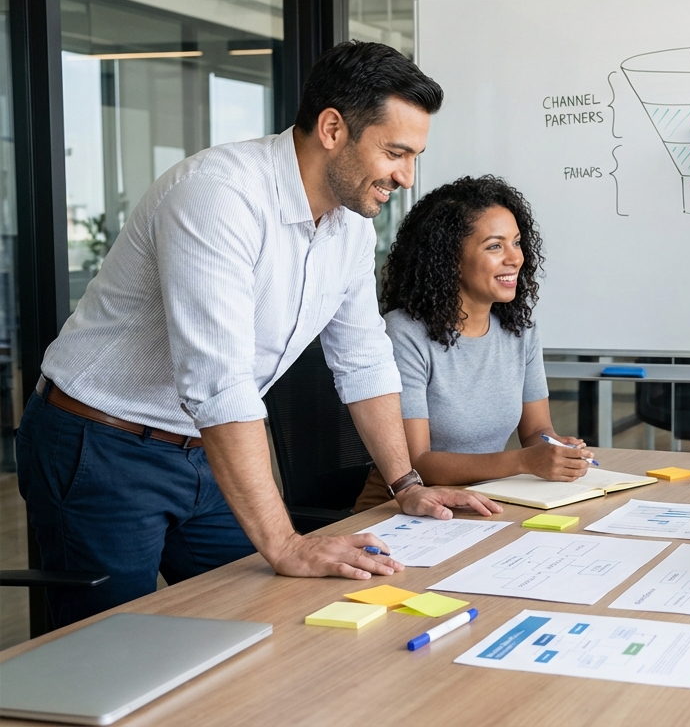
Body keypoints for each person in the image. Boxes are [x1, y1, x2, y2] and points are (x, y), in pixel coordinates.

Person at [17, 41, 500, 628]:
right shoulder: (218, 195)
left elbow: (364, 359)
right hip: (102, 444)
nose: (406, 176)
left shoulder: (347, 227)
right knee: (113, 650)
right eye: (395, 153)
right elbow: (219, 382)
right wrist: (287, 543)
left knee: (269, 620)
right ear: (331, 128)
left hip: (203, 449)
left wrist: (406, 484)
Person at [353, 176, 593, 510]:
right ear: (449, 258)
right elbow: (417, 461)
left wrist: (553, 449)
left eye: (517, 242)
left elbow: (537, 427)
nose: (515, 258)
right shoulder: (404, 332)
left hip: (487, 500)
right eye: (495, 246)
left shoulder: (519, 329)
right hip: (402, 506)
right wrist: (525, 461)